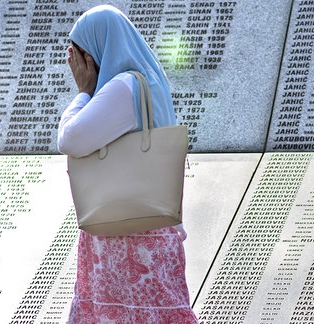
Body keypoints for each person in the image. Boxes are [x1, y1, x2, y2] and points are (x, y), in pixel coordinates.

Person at [57, 5, 198, 323]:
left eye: (78, 53)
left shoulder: (124, 87)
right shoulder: (150, 82)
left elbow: (71, 138)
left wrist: (83, 93)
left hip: (125, 239)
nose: (76, 64)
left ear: (94, 52)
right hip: (153, 230)